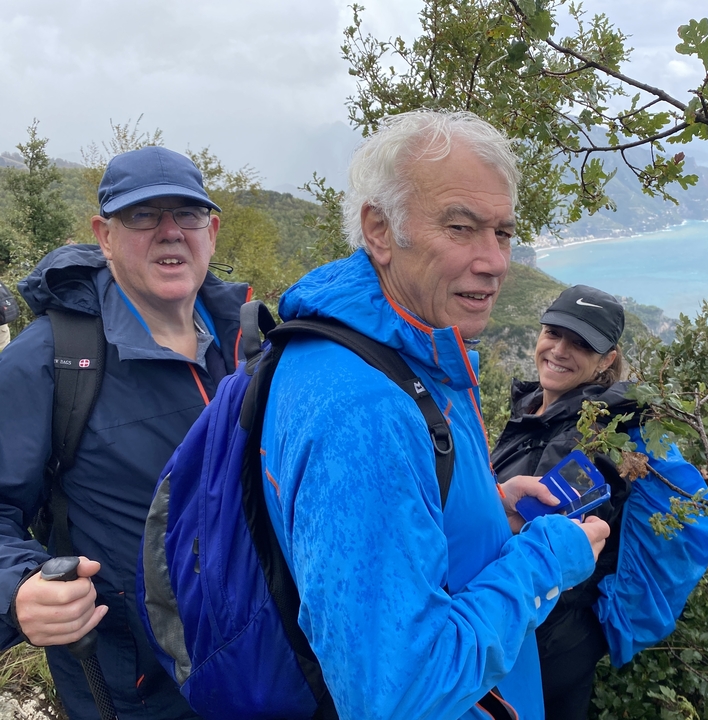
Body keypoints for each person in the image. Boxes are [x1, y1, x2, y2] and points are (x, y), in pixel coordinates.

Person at [259, 110, 610, 719]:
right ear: (379, 228)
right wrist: (548, 558)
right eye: (461, 227)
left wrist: (485, 506)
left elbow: (392, 526)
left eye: (501, 233)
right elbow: (398, 697)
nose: (496, 261)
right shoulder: (365, 409)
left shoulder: (386, 348)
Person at [0, 146, 250, 719]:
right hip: (135, 691)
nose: (169, 233)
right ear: (104, 235)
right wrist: (18, 588)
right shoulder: (52, 361)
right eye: (142, 216)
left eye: (186, 215)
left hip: (265, 670)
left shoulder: (252, 343)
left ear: (210, 230)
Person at [491, 285, 708, 720]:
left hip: (539, 647)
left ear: (607, 359)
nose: (559, 350)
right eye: (553, 333)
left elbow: (521, 540)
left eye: (581, 344)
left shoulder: (591, 440)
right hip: (556, 640)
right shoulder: (541, 409)